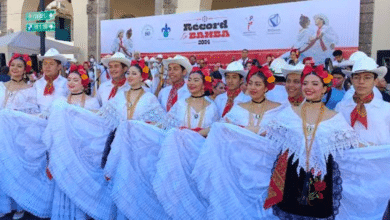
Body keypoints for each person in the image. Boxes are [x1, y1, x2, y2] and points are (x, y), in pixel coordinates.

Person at [192, 65, 283, 219]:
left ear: (267, 87)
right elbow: (220, 127)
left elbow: (279, 133)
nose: (253, 88)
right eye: (251, 83)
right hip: (239, 165)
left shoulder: (279, 109)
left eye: (258, 84)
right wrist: (192, 135)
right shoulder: (239, 107)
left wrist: (246, 129)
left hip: (266, 165)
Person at [153, 69, 220, 219]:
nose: (191, 83)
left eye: (196, 80)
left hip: (201, 155)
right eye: (190, 79)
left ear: (204, 84)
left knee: (199, 191)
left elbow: (216, 130)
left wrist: (194, 134)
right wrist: (142, 126)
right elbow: (165, 124)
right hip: (180, 156)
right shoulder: (181, 103)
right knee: (180, 191)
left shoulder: (212, 106)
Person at [44, 64, 100, 220]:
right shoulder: (60, 101)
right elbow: (51, 124)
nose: (71, 83)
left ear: (84, 82)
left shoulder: (92, 102)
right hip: (63, 150)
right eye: (69, 79)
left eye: (76, 80)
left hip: (81, 152)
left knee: (79, 185)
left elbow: (94, 129)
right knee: (63, 184)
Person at [0, 53, 39, 220]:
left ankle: (19, 205)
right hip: (1, 134)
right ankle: (4, 204)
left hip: (18, 136)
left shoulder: (30, 89)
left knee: (17, 169)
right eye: (13, 65)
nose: (15, 69)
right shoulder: (1, 86)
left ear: (25, 70)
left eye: (19, 66)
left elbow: (33, 113)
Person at [336, 57, 390, 145]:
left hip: (379, 157)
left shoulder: (386, 109)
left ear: (375, 81)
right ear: (352, 80)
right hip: (350, 158)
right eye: (357, 77)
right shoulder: (341, 107)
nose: (361, 82)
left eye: (367, 78)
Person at [34, 48, 68, 117]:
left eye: (51, 64)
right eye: (45, 64)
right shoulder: (37, 84)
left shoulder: (66, 83)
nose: (47, 67)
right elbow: (33, 104)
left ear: (59, 67)